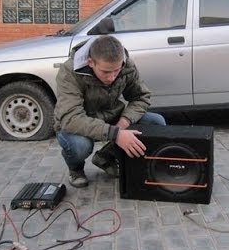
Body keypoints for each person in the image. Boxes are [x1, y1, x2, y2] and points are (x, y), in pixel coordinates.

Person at [54, 35, 166, 188]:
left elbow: (141, 97)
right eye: (106, 72)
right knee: (79, 146)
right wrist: (116, 134)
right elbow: (72, 117)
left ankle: (106, 156)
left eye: (116, 70)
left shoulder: (127, 65)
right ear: (90, 62)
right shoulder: (69, 72)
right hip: (77, 123)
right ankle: (76, 169)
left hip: (112, 116)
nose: (112, 77)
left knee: (155, 122)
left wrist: (124, 121)